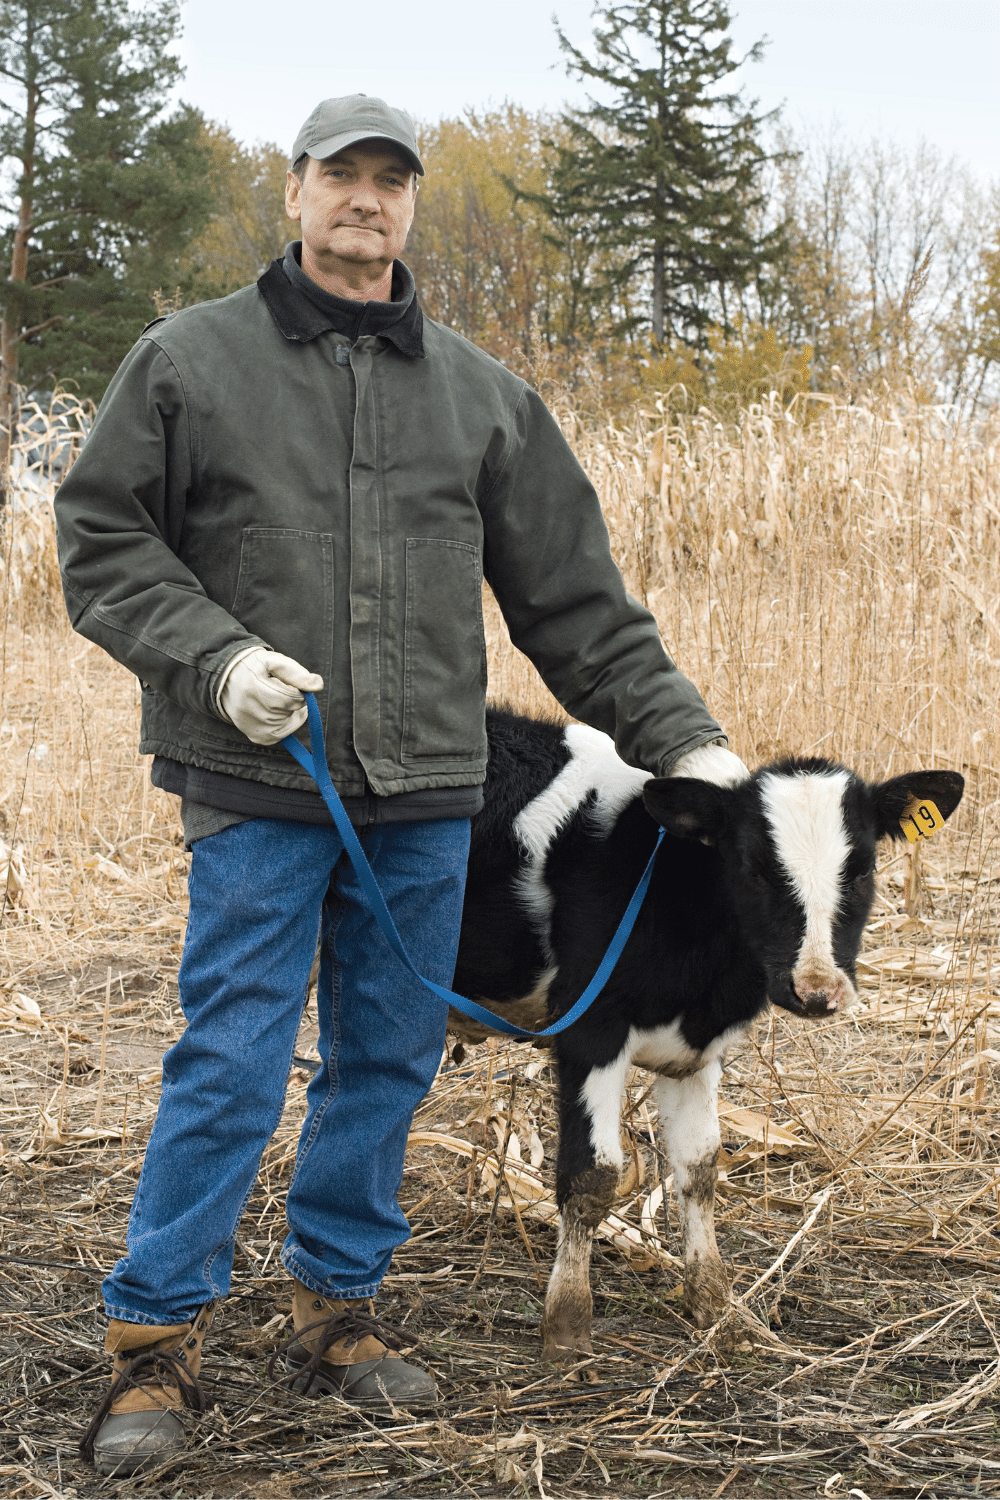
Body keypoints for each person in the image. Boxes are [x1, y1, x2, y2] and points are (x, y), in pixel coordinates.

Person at [55, 94, 745, 1477]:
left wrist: (690, 742)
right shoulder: (190, 362)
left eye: (389, 178)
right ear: (295, 191)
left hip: (429, 797)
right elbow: (102, 539)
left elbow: (579, 608)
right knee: (233, 1058)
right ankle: (155, 1342)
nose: (365, 199)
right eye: (339, 175)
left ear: (410, 202)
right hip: (258, 784)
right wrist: (215, 657)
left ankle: (337, 1312)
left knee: (383, 1057)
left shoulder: (484, 397)